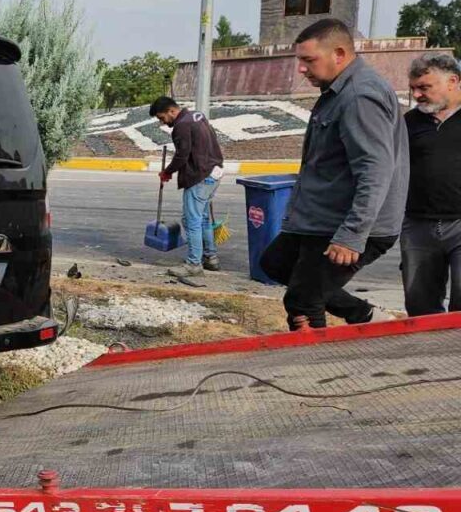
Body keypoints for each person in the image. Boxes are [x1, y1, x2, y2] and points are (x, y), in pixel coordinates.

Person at [259, 18, 408, 330]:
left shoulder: (359, 96)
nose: (301, 69)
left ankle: (315, 360)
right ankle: (364, 314)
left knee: (302, 301)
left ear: (339, 54)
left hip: (345, 224)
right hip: (320, 220)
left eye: (308, 60)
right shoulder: (337, 91)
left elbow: (375, 170)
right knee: (276, 264)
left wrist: (352, 235)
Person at [401, 55, 461, 315]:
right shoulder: (408, 123)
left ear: (452, 81)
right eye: (413, 88)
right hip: (418, 226)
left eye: (424, 87)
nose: (417, 95)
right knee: (419, 306)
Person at [150, 96, 225, 277]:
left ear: (171, 111)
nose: (163, 122)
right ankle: (211, 258)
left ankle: (193, 264)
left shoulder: (181, 125)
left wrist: (167, 172)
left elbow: (182, 156)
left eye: (162, 118)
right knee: (203, 219)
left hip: (199, 176)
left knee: (192, 221)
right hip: (213, 172)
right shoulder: (197, 116)